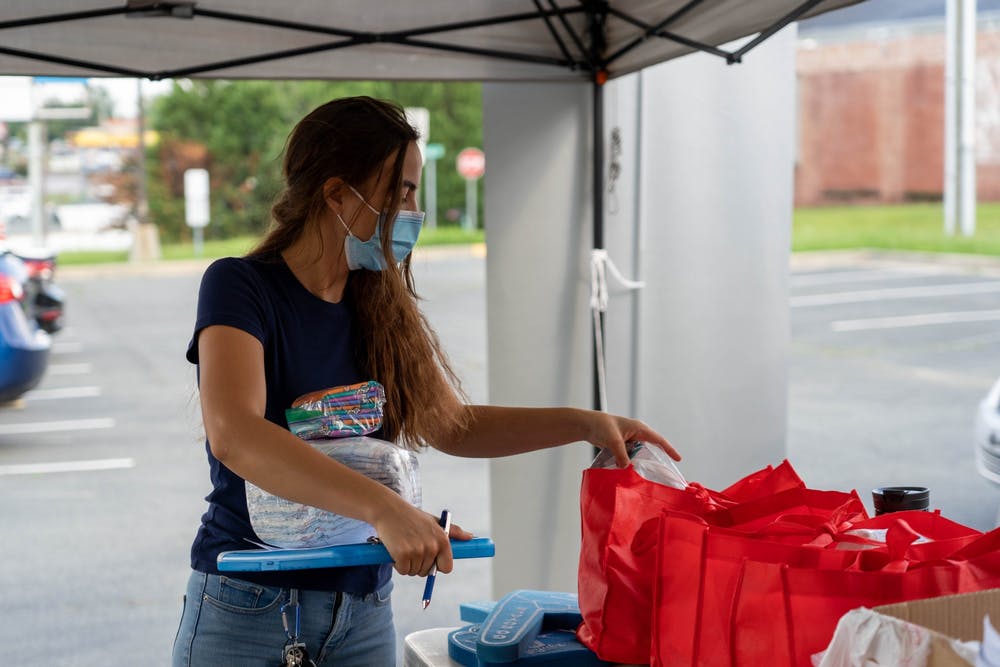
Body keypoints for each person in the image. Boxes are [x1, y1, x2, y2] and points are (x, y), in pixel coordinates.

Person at [171, 96, 679, 666]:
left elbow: (452, 425)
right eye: (402, 191)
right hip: (249, 611)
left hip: (360, 614)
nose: (413, 210)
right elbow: (236, 432)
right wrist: (385, 511)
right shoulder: (240, 287)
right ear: (336, 194)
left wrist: (584, 424)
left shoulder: (379, 305)